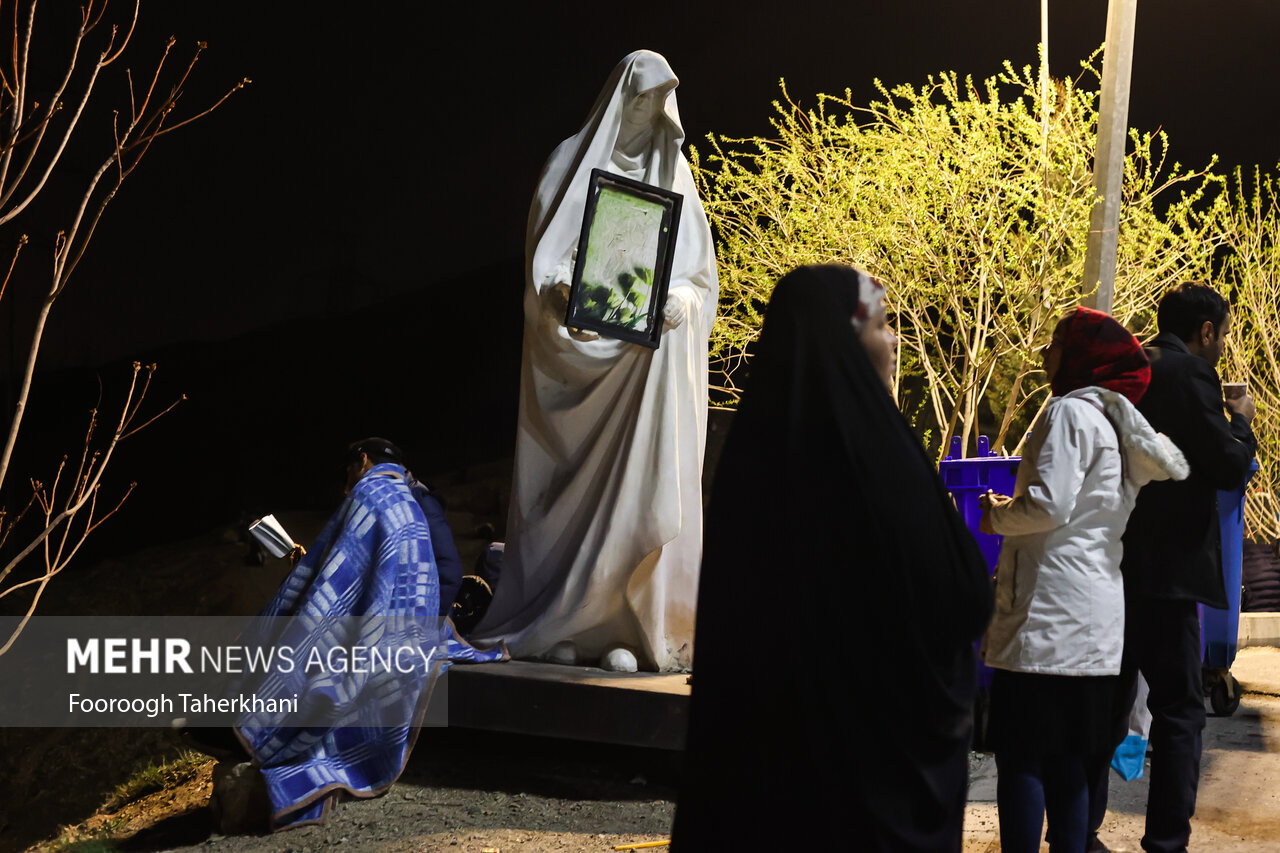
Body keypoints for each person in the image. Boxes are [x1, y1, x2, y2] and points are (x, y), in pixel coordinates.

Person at [672, 265, 994, 851]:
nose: (894, 341)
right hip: (869, 790)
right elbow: (957, 596)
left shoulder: (751, 464)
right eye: (884, 323)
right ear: (845, 334)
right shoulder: (878, 461)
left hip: (769, 784)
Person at [471, 50, 719, 672]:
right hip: (578, 360)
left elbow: (697, 281)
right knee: (570, 496)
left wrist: (676, 306)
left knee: (642, 487)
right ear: (618, 99)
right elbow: (544, 266)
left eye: (658, 100)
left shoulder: (676, 179)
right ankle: (568, 621)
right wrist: (562, 295)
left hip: (646, 375)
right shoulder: (570, 164)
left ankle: (633, 628)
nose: (647, 111)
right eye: (638, 98)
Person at [978, 307, 1188, 853]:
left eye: (1055, 344)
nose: (1046, 354)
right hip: (1090, 617)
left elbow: (1048, 505)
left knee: (1022, 756)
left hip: (1048, 616)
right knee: (1070, 760)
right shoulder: (1112, 425)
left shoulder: (1070, 413)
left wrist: (997, 513)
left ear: (1082, 359)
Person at [1090, 282, 1256, 853]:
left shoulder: (1127, 368)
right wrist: (1241, 420)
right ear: (1205, 331)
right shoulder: (1192, 375)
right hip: (1169, 574)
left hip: (1112, 566)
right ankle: (1165, 841)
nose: (1220, 346)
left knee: (1106, 708)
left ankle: (1079, 830)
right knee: (1180, 712)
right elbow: (1229, 464)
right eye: (1222, 335)